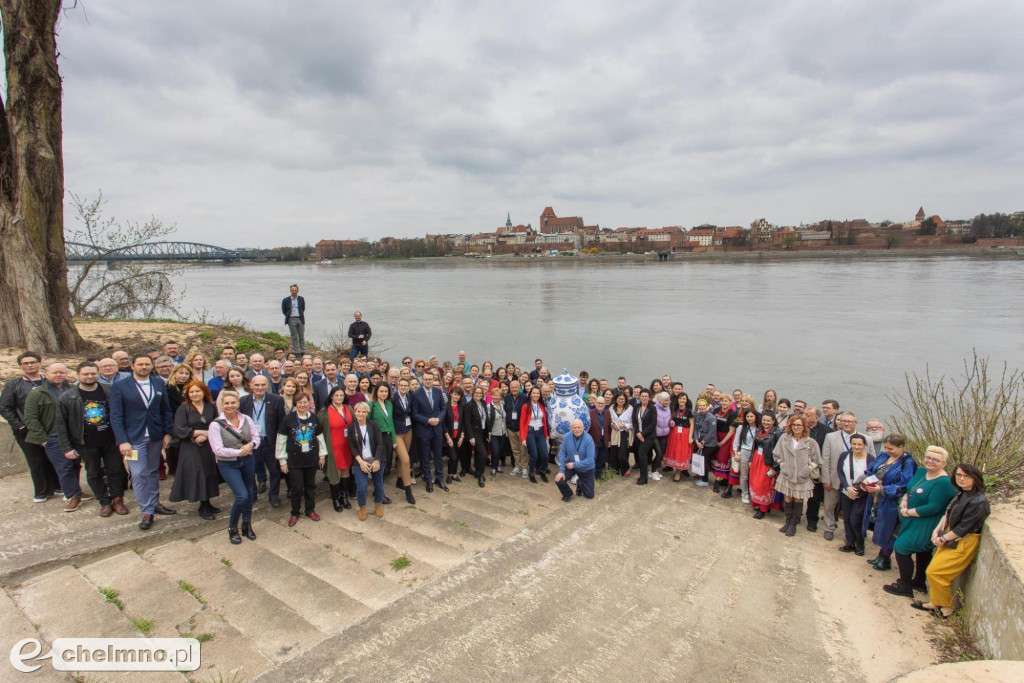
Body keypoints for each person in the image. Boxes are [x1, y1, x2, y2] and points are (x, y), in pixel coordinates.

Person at [912, 464, 991, 618]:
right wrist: (937, 531)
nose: (962, 478)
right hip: (950, 538)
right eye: (959, 475)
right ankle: (936, 602)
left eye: (966, 476)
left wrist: (942, 538)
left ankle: (948, 607)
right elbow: (947, 513)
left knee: (937, 573)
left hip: (964, 541)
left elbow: (965, 527)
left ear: (975, 478)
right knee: (932, 570)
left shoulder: (979, 501)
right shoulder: (961, 493)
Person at [108, 354, 177, 530]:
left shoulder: (158, 383)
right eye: (140, 364)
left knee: (153, 471)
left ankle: (155, 503)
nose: (144, 367)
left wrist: (167, 433)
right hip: (133, 438)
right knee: (138, 474)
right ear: (133, 366)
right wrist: (122, 440)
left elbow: (166, 410)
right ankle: (146, 510)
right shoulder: (120, 387)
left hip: (155, 435)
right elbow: (116, 416)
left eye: (147, 364)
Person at [884, 446, 957, 597]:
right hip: (911, 519)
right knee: (923, 552)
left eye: (936, 460)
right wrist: (904, 500)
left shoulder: (944, 482)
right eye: (928, 458)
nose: (930, 461)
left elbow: (934, 507)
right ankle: (919, 581)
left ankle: (905, 586)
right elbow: (910, 489)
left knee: (901, 547)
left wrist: (909, 512)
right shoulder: (922, 471)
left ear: (944, 463)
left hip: (926, 522)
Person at [55, 362, 125, 517]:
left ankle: (117, 499)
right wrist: (67, 447)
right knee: (93, 473)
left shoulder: (110, 391)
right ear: (78, 375)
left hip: (111, 440)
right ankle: (104, 502)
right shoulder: (67, 397)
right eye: (85, 374)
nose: (89, 376)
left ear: (98, 373)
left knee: (116, 470)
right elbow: (61, 425)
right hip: (86, 443)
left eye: (93, 373)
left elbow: (121, 415)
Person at [1, 351, 61, 502]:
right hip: (27, 430)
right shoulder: (13, 385)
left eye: (32, 362)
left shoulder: (50, 381)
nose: (29, 365)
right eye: (25, 363)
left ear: (40, 363)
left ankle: (59, 486)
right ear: (20, 366)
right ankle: (42, 491)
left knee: (55, 457)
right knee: (36, 460)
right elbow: (4, 407)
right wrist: (20, 425)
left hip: (52, 428)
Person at [25, 363, 82, 511]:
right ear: (46, 373)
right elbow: (31, 418)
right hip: (53, 437)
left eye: (62, 372)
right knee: (64, 466)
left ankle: (76, 491)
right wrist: (44, 439)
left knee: (75, 464)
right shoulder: (37, 393)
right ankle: (72, 496)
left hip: (73, 436)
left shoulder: (72, 390)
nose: (59, 375)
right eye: (55, 372)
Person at [206, 390, 259, 544]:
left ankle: (247, 524)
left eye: (233, 403)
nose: (230, 405)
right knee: (241, 495)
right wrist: (240, 451)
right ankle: (232, 527)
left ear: (238, 404)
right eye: (227, 403)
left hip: (248, 460)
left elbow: (255, 437)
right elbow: (218, 449)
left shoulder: (246, 419)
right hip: (228, 464)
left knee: (249, 494)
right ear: (222, 405)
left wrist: (251, 445)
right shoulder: (215, 425)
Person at [861, 433, 918, 571]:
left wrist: (884, 488)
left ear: (901, 447)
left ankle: (886, 558)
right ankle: (881, 555)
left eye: (891, 449)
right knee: (878, 527)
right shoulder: (884, 456)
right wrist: (868, 480)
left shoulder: (908, 463)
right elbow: (872, 470)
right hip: (876, 497)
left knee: (888, 529)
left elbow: (905, 484)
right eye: (886, 448)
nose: (887, 451)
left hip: (891, 500)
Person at [170, 380, 220, 520]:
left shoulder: (211, 407)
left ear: (204, 392)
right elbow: (179, 429)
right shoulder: (183, 408)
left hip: (208, 445)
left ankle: (208, 502)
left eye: (197, 391)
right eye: (191, 392)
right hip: (190, 446)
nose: (194, 394)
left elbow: (216, 425)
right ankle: (203, 505)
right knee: (199, 473)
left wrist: (205, 435)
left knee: (209, 472)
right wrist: (198, 432)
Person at [277, 393, 324, 526]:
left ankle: (310, 510)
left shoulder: (314, 418)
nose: (303, 405)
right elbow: (281, 440)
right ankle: (295, 513)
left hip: (311, 459)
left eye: (305, 402)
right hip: (294, 460)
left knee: (310, 486)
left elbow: (320, 437)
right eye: (299, 402)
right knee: (296, 488)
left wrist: (322, 456)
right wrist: (282, 460)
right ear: (295, 404)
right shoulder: (288, 419)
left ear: (309, 403)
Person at [240, 375, 287, 507]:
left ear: (267, 385)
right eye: (256, 385)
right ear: (251, 386)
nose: (260, 388)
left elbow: (281, 422)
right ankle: (252, 494)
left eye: (263, 385)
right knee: (250, 470)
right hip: (251, 443)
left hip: (269, 441)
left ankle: (273, 495)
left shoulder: (276, 400)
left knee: (274, 470)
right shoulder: (243, 401)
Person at [772, 415, 822, 538]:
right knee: (788, 498)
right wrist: (782, 464)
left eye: (798, 425)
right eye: (794, 425)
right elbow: (776, 455)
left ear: (804, 427)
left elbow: (817, 460)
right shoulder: (784, 438)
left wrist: (808, 469)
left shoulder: (811, 442)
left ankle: (794, 523)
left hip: (802, 476)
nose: (796, 427)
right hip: (787, 474)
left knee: (799, 499)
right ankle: (788, 521)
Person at [819, 411, 862, 540]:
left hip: (856, 482)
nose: (846, 424)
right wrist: (826, 478)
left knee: (853, 509)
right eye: (843, 421)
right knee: (829, 505)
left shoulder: (865, 439)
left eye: (849, 421)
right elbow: (825, 459)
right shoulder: (831, 437)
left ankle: (850, 532)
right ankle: (829, 528)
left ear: (856, 423)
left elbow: (871, 462)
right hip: (834, 478)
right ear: (839, 423)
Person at [836, 433, 876, 554]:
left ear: (864, 445)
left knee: (856, 520)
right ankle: (850, 542)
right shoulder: (844, 456)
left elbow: (872, 477)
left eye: (859, 444)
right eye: (854, 444)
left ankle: (860, 544)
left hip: (861, 495)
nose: (856, 447)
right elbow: (840, 472)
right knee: (847, 519)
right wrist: (848, 487)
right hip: (846, 492)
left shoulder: (871, 459)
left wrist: (858, 490)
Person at [348, 401, 386, 520]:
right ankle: (362, 507)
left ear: (367, 413)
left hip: (376, 458)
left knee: (378, 484)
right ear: (354, 412)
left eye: (363, 411)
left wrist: (377, 460)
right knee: (362, 487)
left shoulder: (374, 425)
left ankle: (378, 504)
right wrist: (361, 462)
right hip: (360, 460)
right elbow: (352, 447)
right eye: (358, 411)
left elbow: (380, 443)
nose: (361, 414)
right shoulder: (351, 427)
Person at [319, 387, 355, 512]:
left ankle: (344, 496)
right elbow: (319, 432)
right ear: (331, 397)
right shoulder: (325, 412)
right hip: (333, 447)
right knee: (336, 473)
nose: (339, 398)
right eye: (336, 395)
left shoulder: (348, 408)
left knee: (346, 471)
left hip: (347, 446)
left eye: (341, 395)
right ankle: (336, 498)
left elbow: (354, 425)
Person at [410, 371, 448, 493]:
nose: (428, 381)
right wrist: (427, 420)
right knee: (425, 457)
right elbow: (414, 413)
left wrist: (439, 418)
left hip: (437, 429)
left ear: (433, 379)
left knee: (438, 456)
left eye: (430, 379)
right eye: (426, 379)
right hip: (424, 429)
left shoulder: (438, 392)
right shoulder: (416, 394)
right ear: (422, 380)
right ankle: (428, 480)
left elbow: (443, 408)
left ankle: (439, 478)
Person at [366, 383, 399, 503]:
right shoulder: (371, 405)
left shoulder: (389, 404)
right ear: (376, 392)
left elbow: (391, 423)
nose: (383, 394)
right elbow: (366, 423)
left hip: (388, 438)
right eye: (381, 391)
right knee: (378, 465)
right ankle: (380, 493)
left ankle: (378, 489)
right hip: (377, 439)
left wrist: (394, 440)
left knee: (386, 466)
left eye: (386, 391)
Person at [749, 412, 782, 518]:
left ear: (773, 421)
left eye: (768, 420)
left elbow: (779, 451)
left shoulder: (777, 433)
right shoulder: (759, 430)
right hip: (757, 459)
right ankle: (757, 504)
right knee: (755, 483)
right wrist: (750, 459)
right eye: (764, 420)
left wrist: (774, 467)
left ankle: (763, 509)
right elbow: (754, 446)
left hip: (767, 461)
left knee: (764, 485)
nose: (766, 422)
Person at [555, 419, 596, 502]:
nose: (577, 430)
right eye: (574, 428)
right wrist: (561, 471)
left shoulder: (588, 439)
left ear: (583, 428)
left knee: (589, 495)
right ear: (571, 428)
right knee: (559, 479)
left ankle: (579, 483)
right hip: (571, 466)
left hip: (586, 468)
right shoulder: (567, 437)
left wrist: (574, 464)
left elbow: (590, 459)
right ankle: (568, 494)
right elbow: (562, 453)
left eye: (579, 427)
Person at [460, 385, 490, 488]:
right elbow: (467, 423)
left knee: (478, 453)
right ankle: (481, 476)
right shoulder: (468, 405)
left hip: (483, 432)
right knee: (483, 454)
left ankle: (478, 471)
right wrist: (471, 437)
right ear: (473, 394)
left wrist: (488, 432)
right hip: (474, 433)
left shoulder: (483, 403)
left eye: (480, 393)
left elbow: (486, 419)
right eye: (476, 393)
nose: (478, 395)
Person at [519, 386, 550, 484]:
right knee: (534, 455)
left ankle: (542, 471)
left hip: (540, 432)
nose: (536, 395)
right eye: (534, 393)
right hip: (530, 432)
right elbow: (522, 423)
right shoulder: (526, 406)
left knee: (545, 455)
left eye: (537, 393)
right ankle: (531, 473)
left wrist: (546, 434)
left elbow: (544, 421)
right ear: (530, 394)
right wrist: (523, 438)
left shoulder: (541, 405)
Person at [728, 409, 758, 501]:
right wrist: (735, 453)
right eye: (747, 416)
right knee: (744, 475)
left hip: (755, 453)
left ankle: (754, 493)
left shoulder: (759, 428)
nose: (749, 418)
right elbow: (736, 442)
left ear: (756, 417)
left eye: (751, 416)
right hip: (744, 451)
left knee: (754, 474)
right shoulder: (741, 427)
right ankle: (745, 493)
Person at [391, 377, 416, 488]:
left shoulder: (409, 396)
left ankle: (399, 480)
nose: (403, 387)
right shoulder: (393, 398)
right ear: (397, 386)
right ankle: (407, 486)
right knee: (406, 459)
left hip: (408, 430)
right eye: (401, 385)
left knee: (402, 458)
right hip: (397, 432)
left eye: (406, 385)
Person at [664, 390, 693, 481]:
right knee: (675, 452)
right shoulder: (673, 409)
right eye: (680, 398)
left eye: (684, 399)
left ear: (686, 400)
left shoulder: (688, 411)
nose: (682, 400)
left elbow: (692, 424)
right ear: (678, 400)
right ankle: (675, 469)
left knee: (682, 453)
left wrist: (690, 437)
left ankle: (678, 473)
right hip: (674, 433)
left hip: (684, 434)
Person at [632, 388, 657, 485]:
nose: (644, 398)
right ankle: (643, 476)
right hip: (638, 435)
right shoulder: (636, 406)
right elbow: (634, 421)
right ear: (639, 397)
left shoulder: (652, 408)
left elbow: (653, 424)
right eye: (642, 396)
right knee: (640, 455)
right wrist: (638, 433)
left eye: (646, 396)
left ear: (649, 397)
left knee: (642, 455)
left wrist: (643, 434)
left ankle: (644, 478)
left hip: (648, 436)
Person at [692, 398, 717, 487]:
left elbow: (712, 433)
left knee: (704, 461)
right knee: (700, 460)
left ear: (707, 407)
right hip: (699, 442)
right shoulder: (697, 416)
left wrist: (702, 442)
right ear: (698, 407)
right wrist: (696, 440)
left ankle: (705, 480)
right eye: (700, 405)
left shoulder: (711, 417)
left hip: (709, 443)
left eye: (704, 405)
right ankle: (701, 476)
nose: (702, 407)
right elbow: (695, 429)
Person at [588, 395, 610, 478]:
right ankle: (591, 476)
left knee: (601, 460)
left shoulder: (607, 413)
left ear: (605, 404)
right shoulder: (590, 413)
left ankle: (598, 475)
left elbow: (609, 428)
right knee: (593, 459)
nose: (600, 405)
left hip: (604, 441)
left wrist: (609, 440)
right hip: (593, 441)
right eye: (598, 403)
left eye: (602, 403)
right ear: (595, 403)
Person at [487, 386, 507, 476]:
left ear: (501, 396)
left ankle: (497, 466)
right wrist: (488, 432)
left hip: (503, 432)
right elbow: (487, 421)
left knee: (500, 450)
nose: (495, 397)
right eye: (494, 395)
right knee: (495, 451)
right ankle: (493, 468)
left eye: (497, 395)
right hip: (494, 432)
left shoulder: (503, 405)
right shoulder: (489, 407)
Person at [282, 283, 306, 354]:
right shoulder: (285, 300)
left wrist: (300, 314)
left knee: (301, 336)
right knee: (294, 336)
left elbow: (303, 308)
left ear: (297, 290)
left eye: (295, 290)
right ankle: (296, 351)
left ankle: (303, 351)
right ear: (290, 290)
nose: (294, 292)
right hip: (291, 318)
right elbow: (284, 310)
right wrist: (288, 316)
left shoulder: (301, 299)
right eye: (292, 290)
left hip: (300, 318)